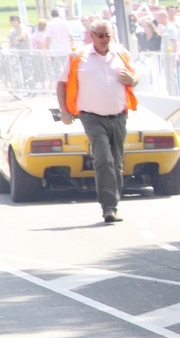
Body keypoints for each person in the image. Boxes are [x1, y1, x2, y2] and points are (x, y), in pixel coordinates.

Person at [57, 19, 139, 223]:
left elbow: (135, 78)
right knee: (104, 159)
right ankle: (109, 207)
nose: (104, 39)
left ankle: (113, 202)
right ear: (92, 35)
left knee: (117, 162)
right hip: (91, 116)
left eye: (108, 35)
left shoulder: (121, 53)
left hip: (119, 116)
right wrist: (64, 110)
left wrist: (133, 80)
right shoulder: (78, 56)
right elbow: (62, 84)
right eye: (100, 35)